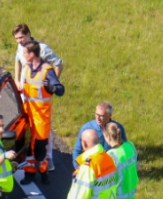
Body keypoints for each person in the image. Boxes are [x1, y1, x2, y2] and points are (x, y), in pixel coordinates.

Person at [13, 24, 63, 171]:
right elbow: (17, 60)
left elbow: (59, 64)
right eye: (17, 39)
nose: (19, 41)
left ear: (29, 34)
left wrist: (51, 86)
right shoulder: (21, 48)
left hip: (40, 99)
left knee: (44, 128)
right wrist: (17, 80)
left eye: (21, 37)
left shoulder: (42, 49)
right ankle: (28, 154)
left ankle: (48, 158)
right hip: (27, 95)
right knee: (28, 124)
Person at [19, 40, 64, 185]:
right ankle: (29, 173)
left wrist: (52, 87)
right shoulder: (26, 67)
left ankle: (43, 173)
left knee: (39, 149)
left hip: (41, 118)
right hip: (28, 115)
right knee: (27, 147)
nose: (23, 55)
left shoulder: (46, 70)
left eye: (25, 52)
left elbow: (60, 90)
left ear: (32, 54)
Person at [73, 101, 127, 169]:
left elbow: (124, 148)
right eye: (96, 114)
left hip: (110, 169)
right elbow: (77, 150)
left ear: (109, 115)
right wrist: (78, 168)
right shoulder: (87, 128)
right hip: (92, 167)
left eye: (101, 116)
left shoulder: (118, 128)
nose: (97, 118)